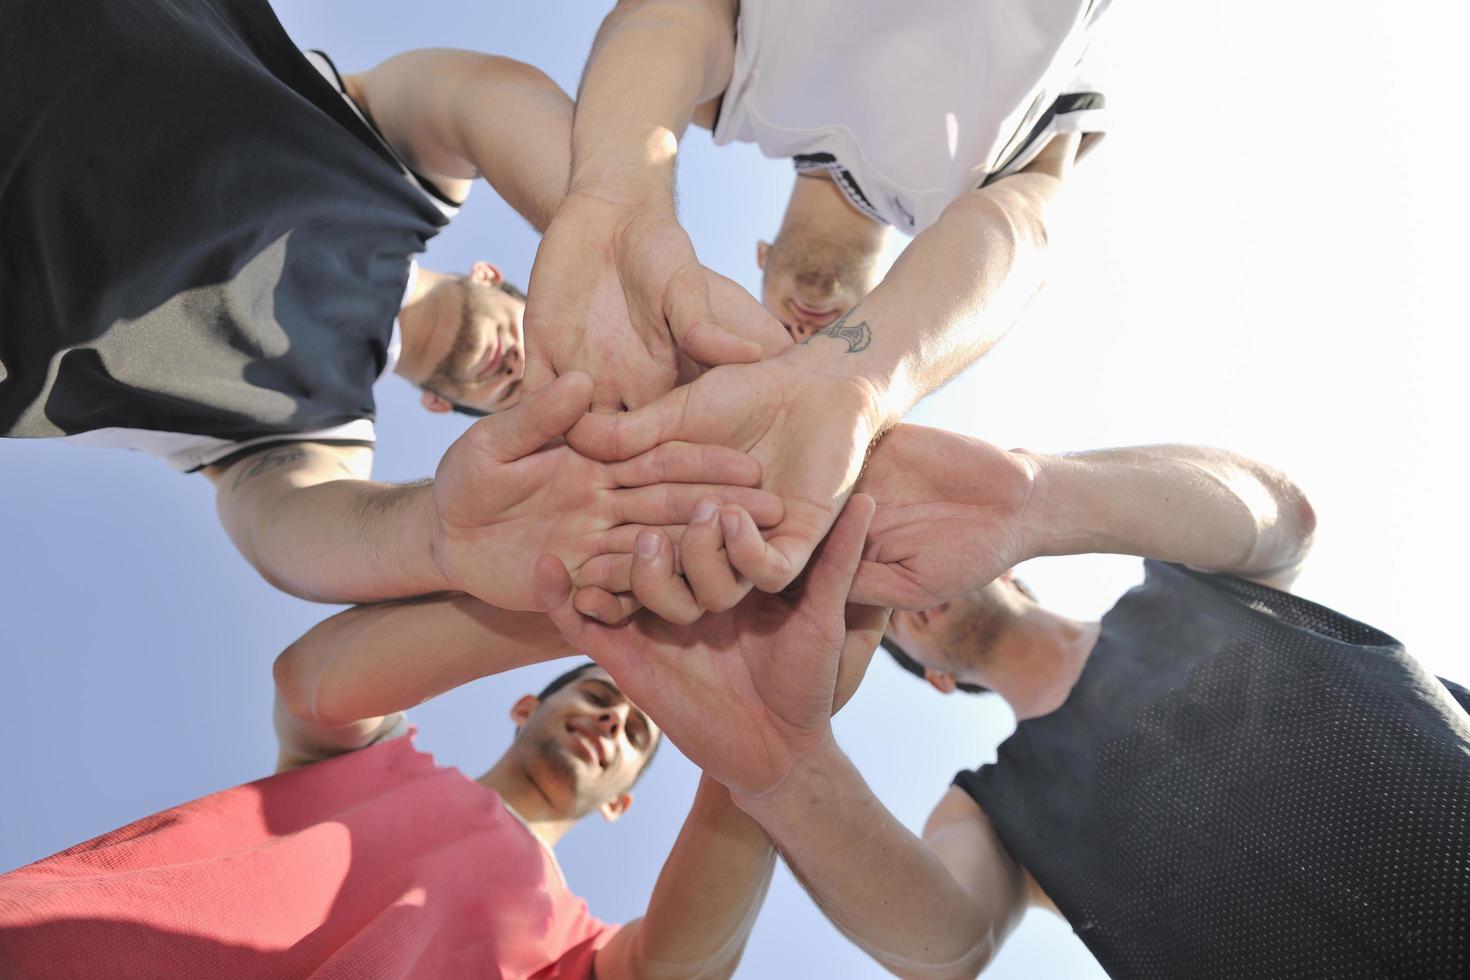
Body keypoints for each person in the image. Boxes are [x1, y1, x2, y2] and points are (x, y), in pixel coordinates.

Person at [544, 427, 1470, 978]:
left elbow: (1282, 515)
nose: (903, 597)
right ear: (938, 680)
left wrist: (1034, 495)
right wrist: (788, 770)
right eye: (890, 618)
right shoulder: (1001, 808)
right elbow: (947, 944)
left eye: (898, 567)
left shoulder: (1187, 581)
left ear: (1010, 571)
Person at [0, 0, 775, 611]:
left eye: (525, 398)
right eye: (550, 346)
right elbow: (482, 97)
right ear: (489, 272)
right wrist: (614, 234)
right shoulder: (400, 169)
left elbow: (292, 530)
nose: (524, 371)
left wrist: (438, 535)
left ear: (444, 407)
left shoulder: (317, 431)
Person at [527, 0, 1107, 618]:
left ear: (761, 254)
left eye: (781, 330)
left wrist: (617, 194)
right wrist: (860, 376)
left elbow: (665, 16)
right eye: (810, 344)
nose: (800, 330)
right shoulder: (993, 170)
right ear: (884, 288)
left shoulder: (735, 95)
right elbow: (1030, 221)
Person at [0, 603, 777, 979]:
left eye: (639, 735)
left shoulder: (576, 947)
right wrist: (595, 618)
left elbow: (682, 967)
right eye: (602, 695)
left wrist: (757, 734)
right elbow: (311, 680)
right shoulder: (374, 755)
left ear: (620, 803)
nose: (614, 721)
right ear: (524, 705)